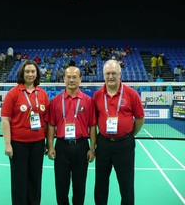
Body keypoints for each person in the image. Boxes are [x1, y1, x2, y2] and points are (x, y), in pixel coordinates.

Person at [93, 60, 144, 205]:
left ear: (120, 74)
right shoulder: (97, 95)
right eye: (108, 73)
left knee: (126, 184)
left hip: (124, 145)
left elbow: (140, 118)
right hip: (103, 145)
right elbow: (95, 119)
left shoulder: (131, 94)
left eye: (114, 73)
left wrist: (129, 136)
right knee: (101, 183)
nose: (110, 76)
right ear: (103, 75)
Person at [45, 66, 97, 205]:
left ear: (80, 79)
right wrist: (50, 147)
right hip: (61, 146)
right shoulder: (55, 101)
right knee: (61, 186)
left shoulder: (88, 101)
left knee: (79, 186)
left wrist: (92, 149)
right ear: (64, 79)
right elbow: (51, 125)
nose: (71, 80)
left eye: (75, 77)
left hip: (81, 146)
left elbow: (92, 126)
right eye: (69, 77)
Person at [1, 60, 50, 205]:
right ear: (22, 73)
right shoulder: (13, 93)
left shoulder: (42, 94)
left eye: (33, 71)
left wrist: (47, 142)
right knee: (19, 179)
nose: (30, 74)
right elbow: (5, 119)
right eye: (27, 71)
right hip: (18, 145)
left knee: (35, 177)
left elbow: (46, 121)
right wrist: (7, 144)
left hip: (38, 143)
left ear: (37, 74)